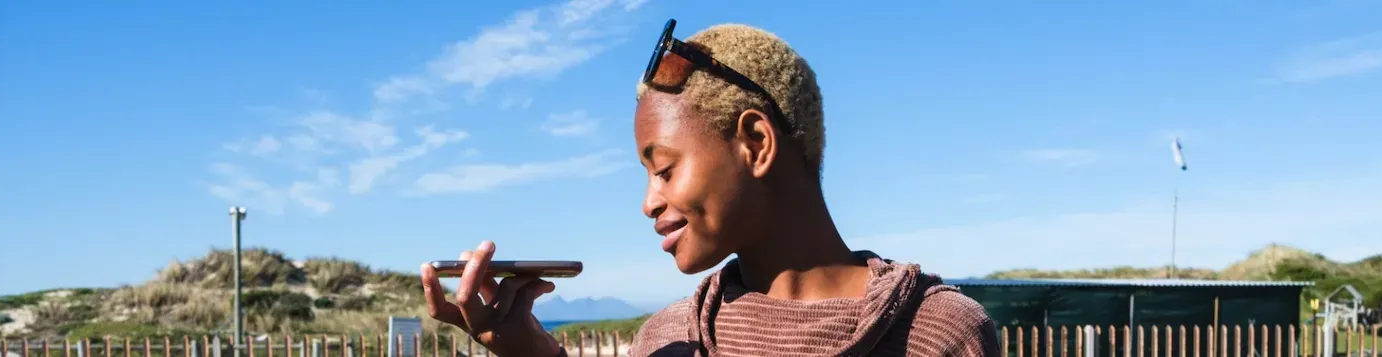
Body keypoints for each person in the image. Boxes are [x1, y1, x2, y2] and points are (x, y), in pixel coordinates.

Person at [420, 20, 999, 356]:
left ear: (755, 144)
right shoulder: (669, 341)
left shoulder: (938, 335)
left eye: (665, 169)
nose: (648, 202)